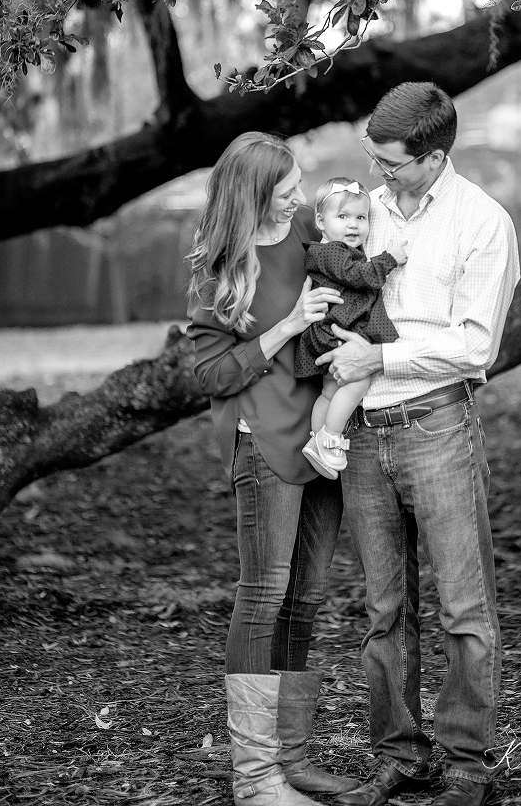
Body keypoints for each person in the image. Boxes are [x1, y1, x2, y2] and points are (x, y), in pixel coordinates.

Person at [317, 83, 520, 806]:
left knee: (463, 605)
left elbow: (474, 345)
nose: (379, 177)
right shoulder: (361, 215)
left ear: (434, 158)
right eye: (372, 160)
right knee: (383, 610)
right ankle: (403, 756)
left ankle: (468, 764)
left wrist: (379, 359)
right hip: (364, 435)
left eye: (393, 165)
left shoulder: (483, 223)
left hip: (437, 425)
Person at [186, 132, 359, 806]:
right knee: (263, 593)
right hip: (263, 443)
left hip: (322, 435)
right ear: (254, 191)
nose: (296, 196)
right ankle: (255, 779)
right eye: (284, 188)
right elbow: (209, 373)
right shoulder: (219, 266)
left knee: (306, 599)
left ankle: (294, 762)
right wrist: (286, 326)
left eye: (297, 186)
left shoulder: (305, 237)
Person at [294, 177, 406, 478]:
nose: (353, 225)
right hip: (334, 333)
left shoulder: (331, 250)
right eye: (342, 217)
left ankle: (318, 440)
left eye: (361, 217)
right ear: (320, 220)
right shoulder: (332, 252)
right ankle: (331, 437)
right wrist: (390, 259)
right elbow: (362, 277)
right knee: (357, 381)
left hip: (330, 331)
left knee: (330, 393)